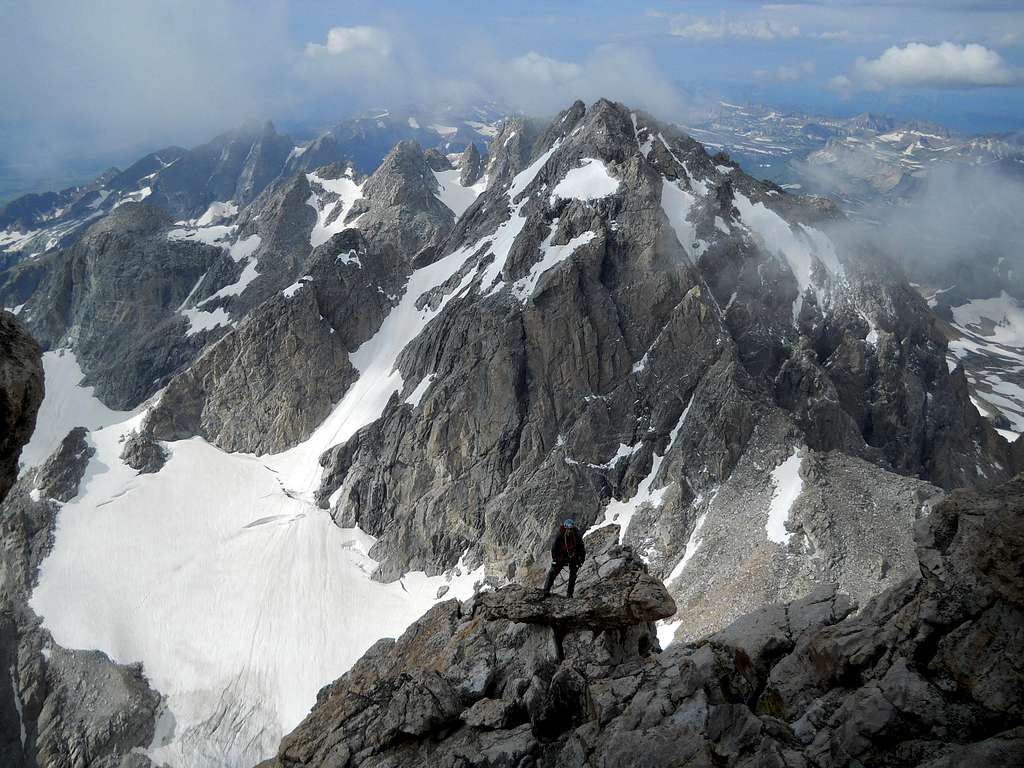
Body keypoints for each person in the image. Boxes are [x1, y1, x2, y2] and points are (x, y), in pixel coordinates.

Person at [542, 518, 586, 598]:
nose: (570, 531)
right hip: (561, 557)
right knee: (553, 572)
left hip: (573, 557)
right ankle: (546, 591)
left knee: (573, 574)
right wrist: (555, 560)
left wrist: (581, 560)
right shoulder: (560, 536)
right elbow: (554, 549)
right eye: (569, 529)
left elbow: (581, 549)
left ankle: (569, 594)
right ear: (565, 529)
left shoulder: (576, 536)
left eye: (571, 529)